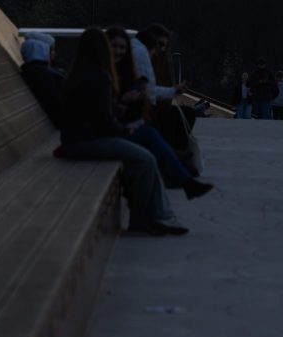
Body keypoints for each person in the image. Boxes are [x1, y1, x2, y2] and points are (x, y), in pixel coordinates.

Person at [56, 28, 189, 236]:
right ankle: (144, 218)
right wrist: (125, 131)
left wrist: (118, 109)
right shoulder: (101, 76)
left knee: (142, 156)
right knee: (146, 159)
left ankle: (156, 216)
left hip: (74, 139)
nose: (117, 52)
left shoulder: (75, 74)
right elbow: (104, 123)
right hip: (87, 142)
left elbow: (93, 113)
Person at [108, 27, 212, 199]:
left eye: (122, 48)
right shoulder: (137, 57)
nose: (160, 51)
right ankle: (182, 178)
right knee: (149, 148)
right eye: (114, 47)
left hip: (114, 128)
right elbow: (149, 92)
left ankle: (182, 182)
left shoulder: (118, 68)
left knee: (153, 137)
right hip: (104, 134)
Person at [19, 33, 63, 125]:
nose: (53, 53)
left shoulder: (29, 71)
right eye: (50, 50)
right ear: (42, 50)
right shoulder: (42, 74)